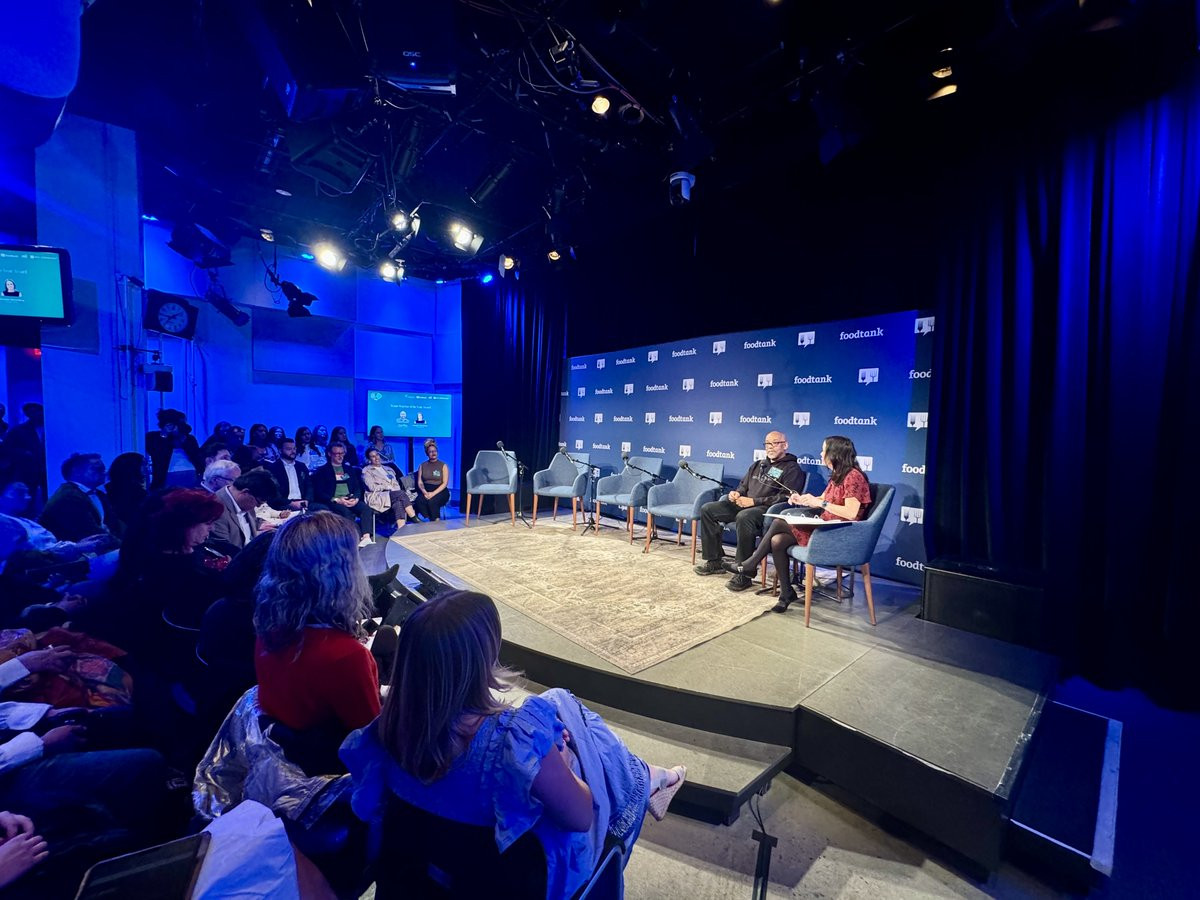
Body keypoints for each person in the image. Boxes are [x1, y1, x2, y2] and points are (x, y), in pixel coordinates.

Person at [341, 591, 686, 900]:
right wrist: (562, 758)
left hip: (427, 876)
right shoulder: (513, 741)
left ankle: (650, 774)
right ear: (479, 662)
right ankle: (647, 778)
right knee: (580, 730)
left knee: (557, 701)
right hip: (522, 877)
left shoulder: (386, 731)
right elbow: (582, 817)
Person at [253, 513, 380, 773]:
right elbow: (370, 738)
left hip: (287, 757)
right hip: (332, 768)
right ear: (340, 573)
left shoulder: (269, 626)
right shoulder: (346, 656)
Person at [725, 435, 872, 613]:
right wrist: (802, 499)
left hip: (839, 533)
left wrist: (820, 503)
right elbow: (822, 499)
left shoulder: (853, 476)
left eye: (824, 450)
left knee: (779, 522)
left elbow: (850, 512)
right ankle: (786, 592)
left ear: (835, 453)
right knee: (777, 540)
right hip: (825, 527)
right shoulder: (837, 476)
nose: (821, 454)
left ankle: (751, 564)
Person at [694, 430, 804, 591]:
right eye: (767, 443)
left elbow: (786, 497)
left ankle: (744, 574)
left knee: (744, 517)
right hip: (744, 504)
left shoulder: (792, 468)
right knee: (708, 509)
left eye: (775, 443)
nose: (770, 447)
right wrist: (736, 493)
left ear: (785, 445)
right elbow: (743, 486)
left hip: (766, 510)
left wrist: (754, 501)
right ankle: (714, 561)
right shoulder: (759, 465)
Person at [38, 453, 111, 543]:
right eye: (98, 469)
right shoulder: (68, 497)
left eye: (103, 469)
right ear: (77, 472)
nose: (104, 472)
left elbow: (115, 524)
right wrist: (123, 545)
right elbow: (91, 533)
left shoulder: (100, 495)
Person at [312, 442, 375, 546]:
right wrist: (337, 500)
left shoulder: (349, 470)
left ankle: (366, 537)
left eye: (342, 453)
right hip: (333, 501)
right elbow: (319, 492)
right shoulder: (322, 471)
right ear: (330, 454)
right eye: (337, 454)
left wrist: (356, 498)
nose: (340, 456)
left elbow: (357, 487)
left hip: (350, 498)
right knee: (345, 512)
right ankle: (355, 537)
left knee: (365, 509)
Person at [208, 470, 278, 556]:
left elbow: (250, 521)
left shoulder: (246, 501)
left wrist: (262, 524)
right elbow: (222, 548)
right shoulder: (216, 508)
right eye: (258, 502)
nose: (258, 506)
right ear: (245, 492)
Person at [145, 408, 202, 490]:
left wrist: (182, 438)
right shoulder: (153, 437)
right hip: (164, 479)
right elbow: (157, 454)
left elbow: (197, 457)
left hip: (190, 476)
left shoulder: (189, 439)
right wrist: (165, 435)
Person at [361, 449, 416, 528]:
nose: (376, 458)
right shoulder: (366, 471)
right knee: (401, 494)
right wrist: (387, 487)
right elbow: (372, 487)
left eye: (377, 455)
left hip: (393, 495)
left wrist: (394, 489)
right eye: (373, 456)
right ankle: (413, 517)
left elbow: (396, 484)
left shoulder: (388, 469)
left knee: (398, 503)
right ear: (369, 460)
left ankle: (401, 529)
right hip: (377, 496)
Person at [103, 452, 147, 541]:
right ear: (133, 468)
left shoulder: (108, 488)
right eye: (143, 465)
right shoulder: (136, 492)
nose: (147, 469)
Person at [266, 438, 311, 510]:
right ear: (280, 450)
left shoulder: (301, 466)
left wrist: (307, 500)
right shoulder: (272, 468)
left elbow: (309, 486)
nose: (293, 451)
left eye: (294, 448)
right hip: (284, 503)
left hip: (303, 502)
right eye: (289, 449)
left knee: (322, 510)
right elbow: (273, 493)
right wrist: (290, 503)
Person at [413, 439, 450, 522]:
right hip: (426, 490)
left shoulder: (443, 465)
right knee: (419, 501)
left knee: (432, 502)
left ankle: (436, 521)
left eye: (435, 451)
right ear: (427, 453)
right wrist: (425, 492)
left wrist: (433, 494)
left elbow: (445, 483)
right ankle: (431, 519)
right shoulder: (422, 466)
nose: (433, 453)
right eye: (430, 452)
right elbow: (420, 482)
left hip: (440, 490)